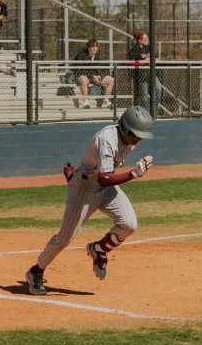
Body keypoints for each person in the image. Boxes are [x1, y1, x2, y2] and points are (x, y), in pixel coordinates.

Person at [24, 105, 154, 295]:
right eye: (137, 134)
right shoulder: (106, 139)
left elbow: (105, 178)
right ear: (126, 129)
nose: (139, 139)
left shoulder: (129, 136)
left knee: (129, 224)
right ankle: (35, 271)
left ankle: (98, 249)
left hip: (104, 186)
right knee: (64, 238)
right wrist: (133, 174)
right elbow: (104, 178)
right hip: (84, 188)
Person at [73, 38, 114, 109]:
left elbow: (100, 68)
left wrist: (99, 76)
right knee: (83, 79)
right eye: (93, 46)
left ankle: (105, 100)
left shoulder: (97, 56)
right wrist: (92, 76)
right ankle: (86, 101)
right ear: (88, 47)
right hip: (84, 77)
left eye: (96, 46)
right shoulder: (81, 56)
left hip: (94, 78)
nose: (95, 48)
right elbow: (80, 70)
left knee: (110, 79)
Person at [128, 31, 161, 115]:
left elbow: (156, 58)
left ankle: (154, 110)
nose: (147, 40)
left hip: (151, 73)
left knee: (158, 88)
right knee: (144, 95)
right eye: (145, 39)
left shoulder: (149, 48)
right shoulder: (134, 49)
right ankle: (147, 113)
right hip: (141, 75)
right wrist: (144, 61)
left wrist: (154, 59)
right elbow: (132, 63)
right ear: (140, 40)